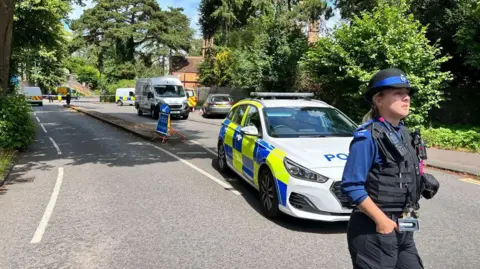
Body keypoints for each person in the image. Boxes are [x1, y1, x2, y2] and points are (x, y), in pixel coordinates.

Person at [340, 68, 440, 269]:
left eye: (407, 93)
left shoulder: (405, 133)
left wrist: (420, 181)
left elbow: (397, 173)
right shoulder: (367, 137)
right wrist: (381, 221)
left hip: (403, 229)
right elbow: (351, 186)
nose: (406, 98)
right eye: (397, 93)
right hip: (374, 229)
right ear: (379, 100)